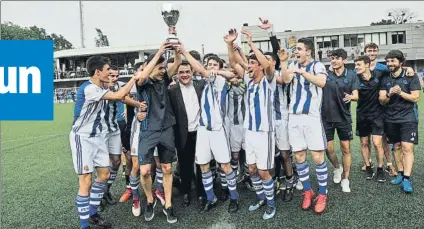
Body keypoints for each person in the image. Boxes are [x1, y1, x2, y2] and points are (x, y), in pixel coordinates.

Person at [70, 55, 141, 229]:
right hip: (83, 138)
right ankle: (84, 225)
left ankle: (92, 213)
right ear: (97, 71)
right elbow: (119, 95)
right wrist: (134, 77)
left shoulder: (101, 85)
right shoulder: (89, 89)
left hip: (99, 137)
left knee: (104, 175)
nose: (111, 73)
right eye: (108, 70)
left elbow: (121, 95)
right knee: (85, 180)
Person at [227, 29, 277, 220]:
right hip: (250, 132)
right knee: (253, 170)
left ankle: (271, 205)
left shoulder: (269, 80)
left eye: (252, 63)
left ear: (260, 66)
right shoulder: (248, 80)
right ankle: (261, 198)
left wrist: (250, 42)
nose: (248, 66)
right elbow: (233, 62)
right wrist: (230, 44)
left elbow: (266, 64)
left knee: (264, 171)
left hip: (265, 133)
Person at [187, 41, 241, 214]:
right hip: (203, 129)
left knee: (225, 166)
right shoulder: (201, 81)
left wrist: (216, 71)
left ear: (219, 67)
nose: (210, 67)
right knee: (203, 166)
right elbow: (197, 71)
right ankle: (211, 198)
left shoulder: (219, 81)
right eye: (208, 64)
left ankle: (234, 198)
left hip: (218, 129)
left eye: (214, 65)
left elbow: (232, 75)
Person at [281, 37, 328, 214]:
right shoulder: (293, 64)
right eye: (296, 49)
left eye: (299, 49)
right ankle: (308, 191)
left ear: (308, 51)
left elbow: (322, 82)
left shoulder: (317, 66)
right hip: (294, 117)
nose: (297, 52)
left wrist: (302, 73)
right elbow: (285, 80)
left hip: (311, 117)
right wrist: (285, 63)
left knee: (317, 157)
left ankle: (323, 193)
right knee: (299, 156)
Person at [136, 42, 179, 224]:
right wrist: (159, 52)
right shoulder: (143, 82)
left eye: (163, 67)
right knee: (145, 171)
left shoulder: (164, 79)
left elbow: (176, 63)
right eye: (160, 67)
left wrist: (177, 49)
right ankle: (150, 200)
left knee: (167, 168)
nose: (163, 70)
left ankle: (168, 205)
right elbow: (141, 77)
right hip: (148, 129)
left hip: (166, 128)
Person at [99, 65, 141, 212]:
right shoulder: (99, 87)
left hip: (115, 129)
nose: (114, 78)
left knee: (116, 161)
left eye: (116, 75)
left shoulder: (121, 85)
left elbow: (128, 95)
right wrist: (138, 104)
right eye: (111, 75)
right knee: (102, 165)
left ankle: (105, 191)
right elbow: (121, 97)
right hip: (100, 131)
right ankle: (98, 195)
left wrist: (138, 104)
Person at [379, 50, 420, 193]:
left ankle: (407, 179)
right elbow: (382, 100)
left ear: (400, 62)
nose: (389, 64)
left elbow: (415, 97)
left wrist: (400, 92)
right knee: (396, 147)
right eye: (388, 61)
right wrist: (390, 93)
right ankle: (401, 175)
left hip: (408, 117)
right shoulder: (385, 78)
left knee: (407, 147)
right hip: (390, 118)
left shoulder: (411, 76)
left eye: (393, 61)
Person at [168, 57, 207, 209]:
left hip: (200, 133)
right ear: (176, 74)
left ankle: (201, 193)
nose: (184, 75)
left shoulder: (200, 85)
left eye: (187, 72)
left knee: (201, 165)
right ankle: (186, 193)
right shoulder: (172, 91)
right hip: (182, 134)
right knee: (184, 165)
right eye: (181, 72)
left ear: (192, 72)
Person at [321, 49, 359, 193]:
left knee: (345, 149)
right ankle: (337, 168)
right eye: (332, 58)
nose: (334, 61)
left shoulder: (351, 75)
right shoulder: (325, 74)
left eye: (337, 58)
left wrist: (351, 97)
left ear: (344, 60)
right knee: (328, 149)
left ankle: (346, 179)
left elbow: (356, 95)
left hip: (343, 118)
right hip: (326, 118)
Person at [354, 55, 387, 182]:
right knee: (364, 143)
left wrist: (408, 69)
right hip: (362, 115)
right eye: (355, 65)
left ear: (367, 65)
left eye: (359, 65)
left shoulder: (379, 74)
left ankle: (380, 169)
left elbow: (394, 69)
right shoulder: (355, 78)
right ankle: (368, 167)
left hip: (377, 115)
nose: (356, 67)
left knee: (377, 143)